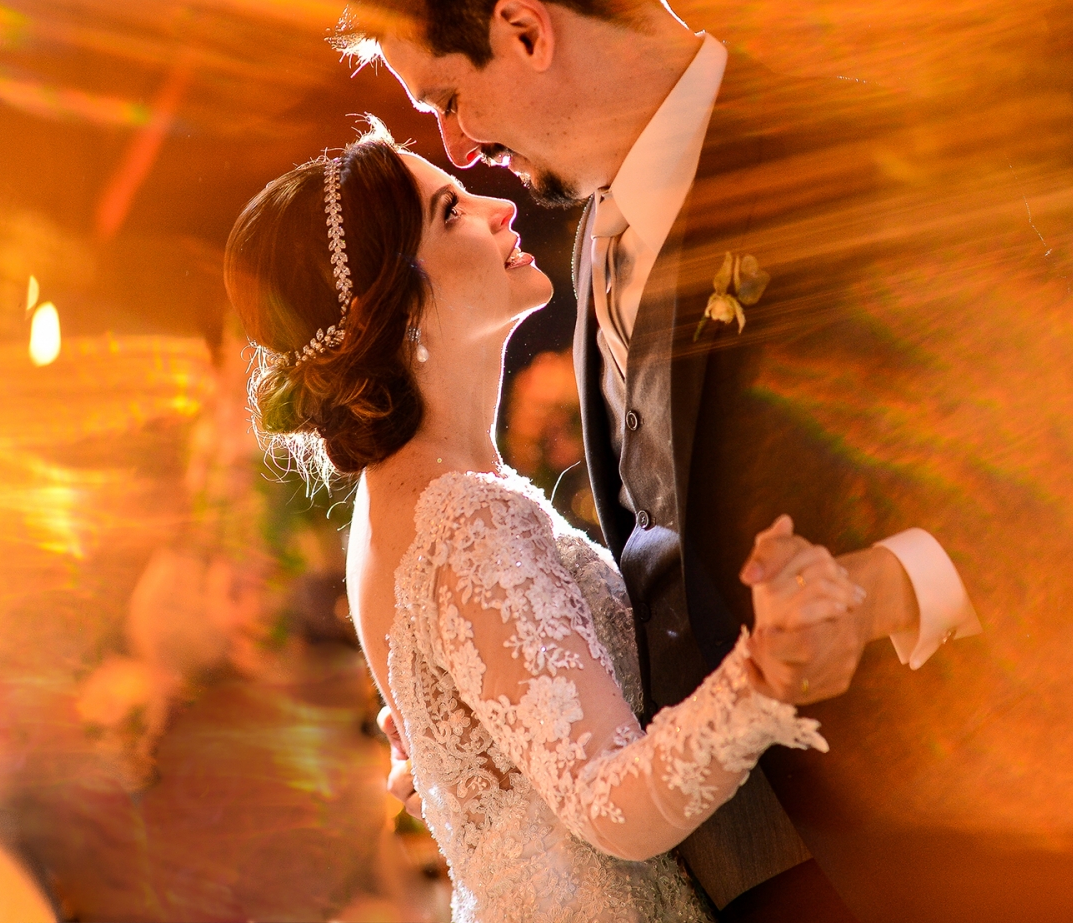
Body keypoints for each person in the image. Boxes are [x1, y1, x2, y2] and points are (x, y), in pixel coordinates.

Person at [333, 0, 981, 919]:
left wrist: (879, 591)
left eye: (448, 99)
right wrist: (489, 726)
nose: (457, 148)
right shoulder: (590, 244)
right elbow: (658, 581)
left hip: (920, 854)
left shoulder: (858, 155)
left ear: (526, 30)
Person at [222, 125, 906, 921]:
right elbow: (610, 807)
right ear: (398, 308)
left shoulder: (397, 511)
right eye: (450, 212)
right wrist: (764, 678)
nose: (497, 207)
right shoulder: (465, 517)